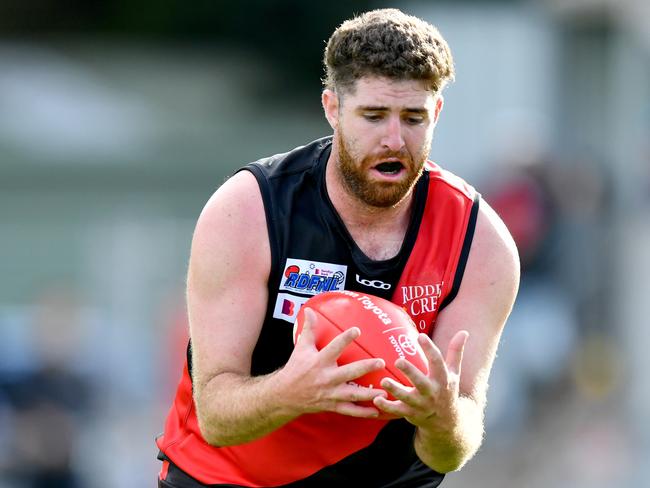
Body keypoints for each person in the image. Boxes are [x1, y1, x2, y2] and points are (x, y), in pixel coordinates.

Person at [156, 8, 519, 488]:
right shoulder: (249, 210)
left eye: (413, 118)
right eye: (373, 116)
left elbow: (453, 449)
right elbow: (218, 418)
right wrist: (294, 390)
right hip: (228, 478)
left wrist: (441, 417)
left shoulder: (479, 243)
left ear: (436, 114)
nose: (394, 139)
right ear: (332, 108)